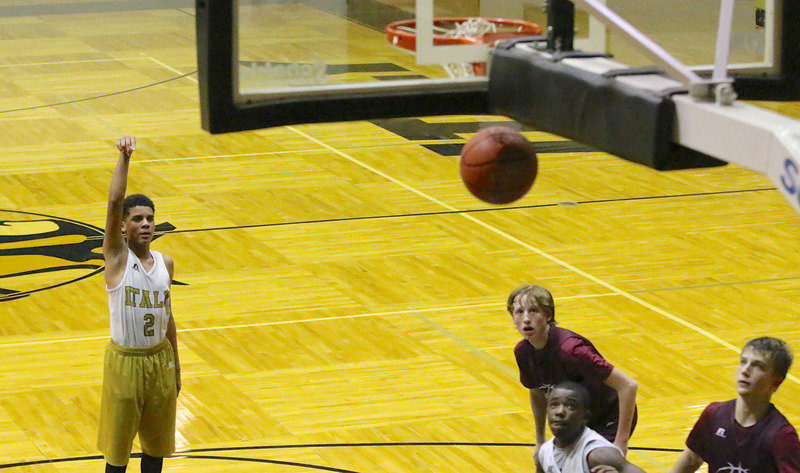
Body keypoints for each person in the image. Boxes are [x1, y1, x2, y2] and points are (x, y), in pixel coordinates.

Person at [97, 136, 181, 473]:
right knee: (118, 453)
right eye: (137, 218)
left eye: (150, 218)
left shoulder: (166, 263)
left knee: (156, 448)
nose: (145, 223)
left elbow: (168, 318)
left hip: (159, 359)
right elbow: (115, 200)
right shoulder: (117, 258)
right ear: (122, 226)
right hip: (125, 362)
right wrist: (125, 158)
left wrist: (177, 366)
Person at [509, 285, 638, 456]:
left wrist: (620, 442)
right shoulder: (523, 352)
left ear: (548, 315)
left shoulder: (571, 351)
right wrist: (540, 440)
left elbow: (628, 386)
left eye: (533, 311)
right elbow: (537, 393)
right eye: (519, 312)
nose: (526, 319)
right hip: (576, 422)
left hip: (609, 417)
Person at [670, 337, 800, 473]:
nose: (745, 370)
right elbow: (691, 458)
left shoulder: (781, 436)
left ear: (776, 382)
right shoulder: (714, 414)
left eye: (758, 366)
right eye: (743, 362)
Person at [536, 382, 646, 473]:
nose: (559, 412)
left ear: (585, 416)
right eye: (554, 404)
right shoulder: (544, 453)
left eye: (570, 406)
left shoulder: (598, 454)